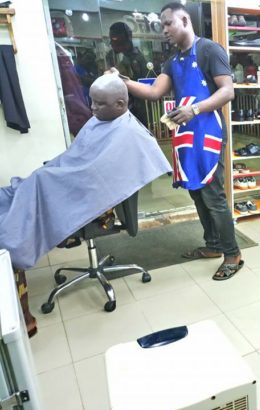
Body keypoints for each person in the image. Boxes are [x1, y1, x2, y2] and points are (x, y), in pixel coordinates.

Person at [0, 74, 171, 337]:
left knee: (35, 189)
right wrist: (54, 172)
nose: (92, 109)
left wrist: (51, 179)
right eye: (91, 102)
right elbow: (77, 160)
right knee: (27, 186)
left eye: (99, 104)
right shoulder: (100, 121)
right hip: (77, 187)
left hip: (100, 209)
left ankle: (13, 240)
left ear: (120, 103)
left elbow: (95, 177)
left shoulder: (130, 134)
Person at [112, 2, 242, 281]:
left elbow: (227, 91)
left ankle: (233, 254)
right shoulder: (172, 61)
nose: (164, 30)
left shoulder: (209, 50)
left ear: (184, 20)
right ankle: (213, 245)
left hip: (208, 133)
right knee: (196, 193)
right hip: (185, 135)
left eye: (168, 23)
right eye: (162, 25)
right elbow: (154, 92)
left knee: (214, 197)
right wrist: (123, 81)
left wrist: (195, 109)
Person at [106, 22, 148, 125]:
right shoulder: (122, 57)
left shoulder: (136, 59)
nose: (114, 46)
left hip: (139, 107)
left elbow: (141, 87)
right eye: (113, 42)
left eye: (117, 42)